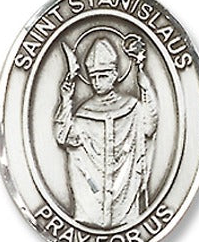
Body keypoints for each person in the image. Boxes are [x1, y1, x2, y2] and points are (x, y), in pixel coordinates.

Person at [54, 37, 158, 228]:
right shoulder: (84, 112)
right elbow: (64, 136)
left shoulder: (131, 107)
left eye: (102, 76)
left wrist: (144, 83)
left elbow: (149, 126)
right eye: (93, 77)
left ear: (115, 75)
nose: (96, 82)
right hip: (91, 198)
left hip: (125, 191)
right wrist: (66, 99)